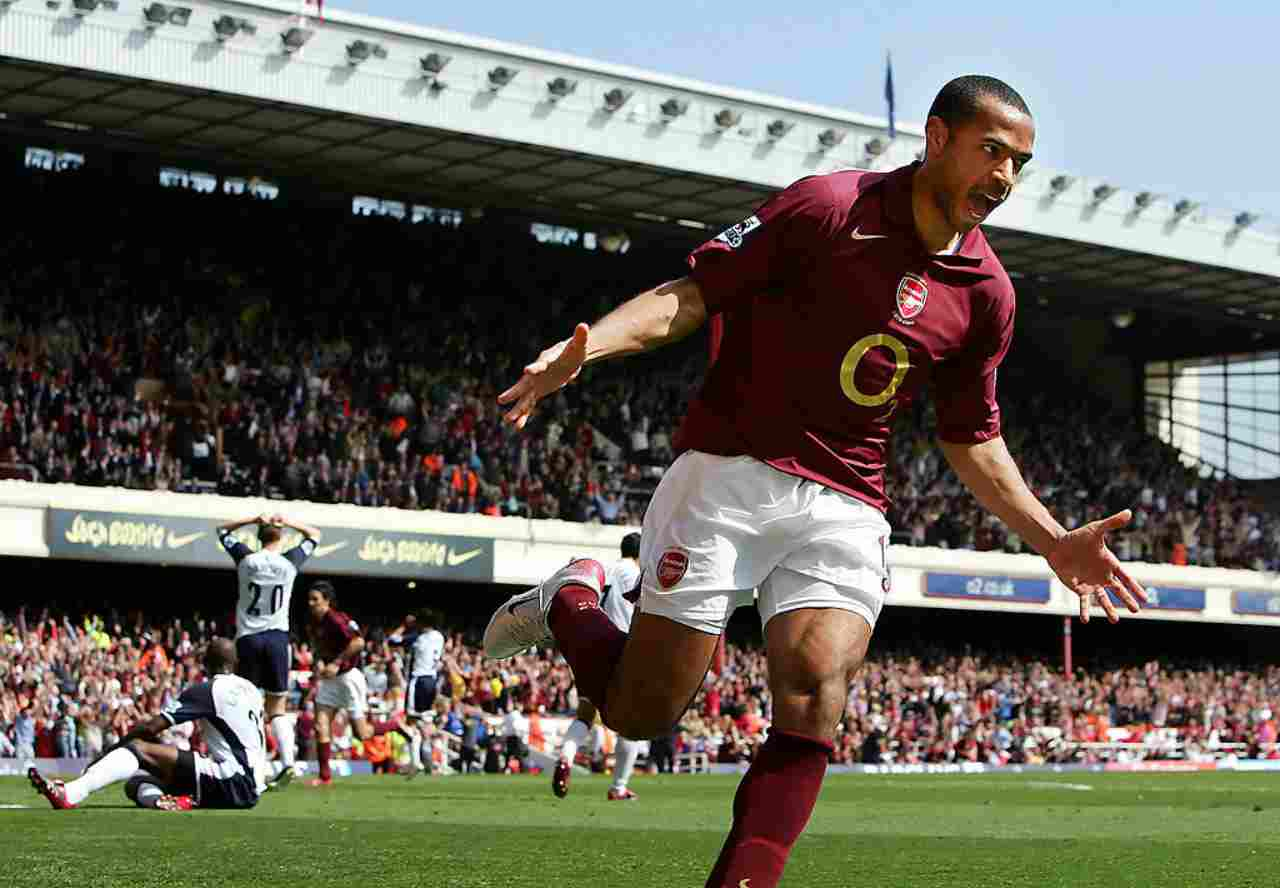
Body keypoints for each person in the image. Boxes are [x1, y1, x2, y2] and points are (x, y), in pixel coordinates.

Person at [483, 75, 1147, 888]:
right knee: (641, 713)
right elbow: (692, 296)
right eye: (992, 152)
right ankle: (572, 601)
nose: (1005, 178)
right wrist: (584, 351)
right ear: (937, 138)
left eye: (1021, 164)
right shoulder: (829, 207)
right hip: (727, 473)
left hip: (848, 501)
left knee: (815, 693)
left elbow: (971, 436)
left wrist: (1052, 540)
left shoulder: (988, 296)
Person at [28, 638, 266, 812]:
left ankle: (70, 793)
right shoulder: (252, 691)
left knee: (138, 749)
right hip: (252, 787)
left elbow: (151, 728)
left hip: (230, 779)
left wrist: (112, 751)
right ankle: (165, 802)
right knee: (137, 783)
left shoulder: (208, 690)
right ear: (235, 662)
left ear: (204, 663)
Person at [217, 512, 321, 790]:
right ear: (282, 536)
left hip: (248, 638)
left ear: (257, 535)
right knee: (278, 707)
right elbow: (315, 535)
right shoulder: (290, 562)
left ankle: (255, 769)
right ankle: (288, 762)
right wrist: (288, 521)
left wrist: (251, 518)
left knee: (249, 706)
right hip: (276, 639)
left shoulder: (246, 559)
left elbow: (222, 531)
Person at [550, 532, 645, 801]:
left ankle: (566, 758)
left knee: (585, 714)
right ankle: (619, 787)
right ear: (639, 553)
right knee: (632, 721)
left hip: (589, 646)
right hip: (621, 648)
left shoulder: (604, 570)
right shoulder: (635, 574)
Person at [304, 581, 395, 786]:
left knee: (362, 734)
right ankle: (324, 777)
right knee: (320, 726)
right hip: (330, 681)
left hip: (348, 677)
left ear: (327, 601)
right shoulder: (312, 622)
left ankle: (396, 725)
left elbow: (358, 642)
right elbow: (317, 648)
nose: (311, 603)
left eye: (315, 599)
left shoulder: (337, 619)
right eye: (309, 599)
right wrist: (319, 663)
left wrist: (336, 662)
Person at [386, 609, 445, 778]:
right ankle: (427, 762)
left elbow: (392, 640)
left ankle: (416, 762)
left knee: (412, 722)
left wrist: (405, 625)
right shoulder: (440, 637)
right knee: (425, 721)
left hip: (418, 680)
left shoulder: (417, 638)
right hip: (432, 681)